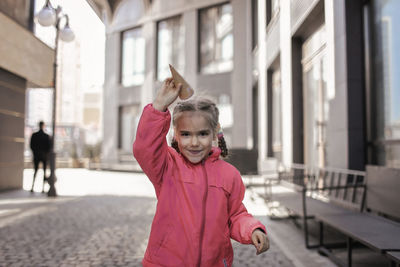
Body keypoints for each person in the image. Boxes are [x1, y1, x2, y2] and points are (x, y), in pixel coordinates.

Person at [133, 78, 269, 267]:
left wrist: (252, 229)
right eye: (186, 134)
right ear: (176, 135)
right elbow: (144, 147)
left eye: (202, 134)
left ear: (215, 133)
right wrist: (158, 107)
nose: (194, 142)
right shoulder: (167, 166)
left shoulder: (229, 175)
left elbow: (235, 215)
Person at [30, 121, 51, 193]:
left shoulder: (35, 135)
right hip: (43, 156)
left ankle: (33, 187)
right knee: (43, 172)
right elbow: (49, 147)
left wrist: (36, 153)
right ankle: (42, 188)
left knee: (36, 171)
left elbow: (32, 146)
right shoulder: (46, 136)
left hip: (37, 156)